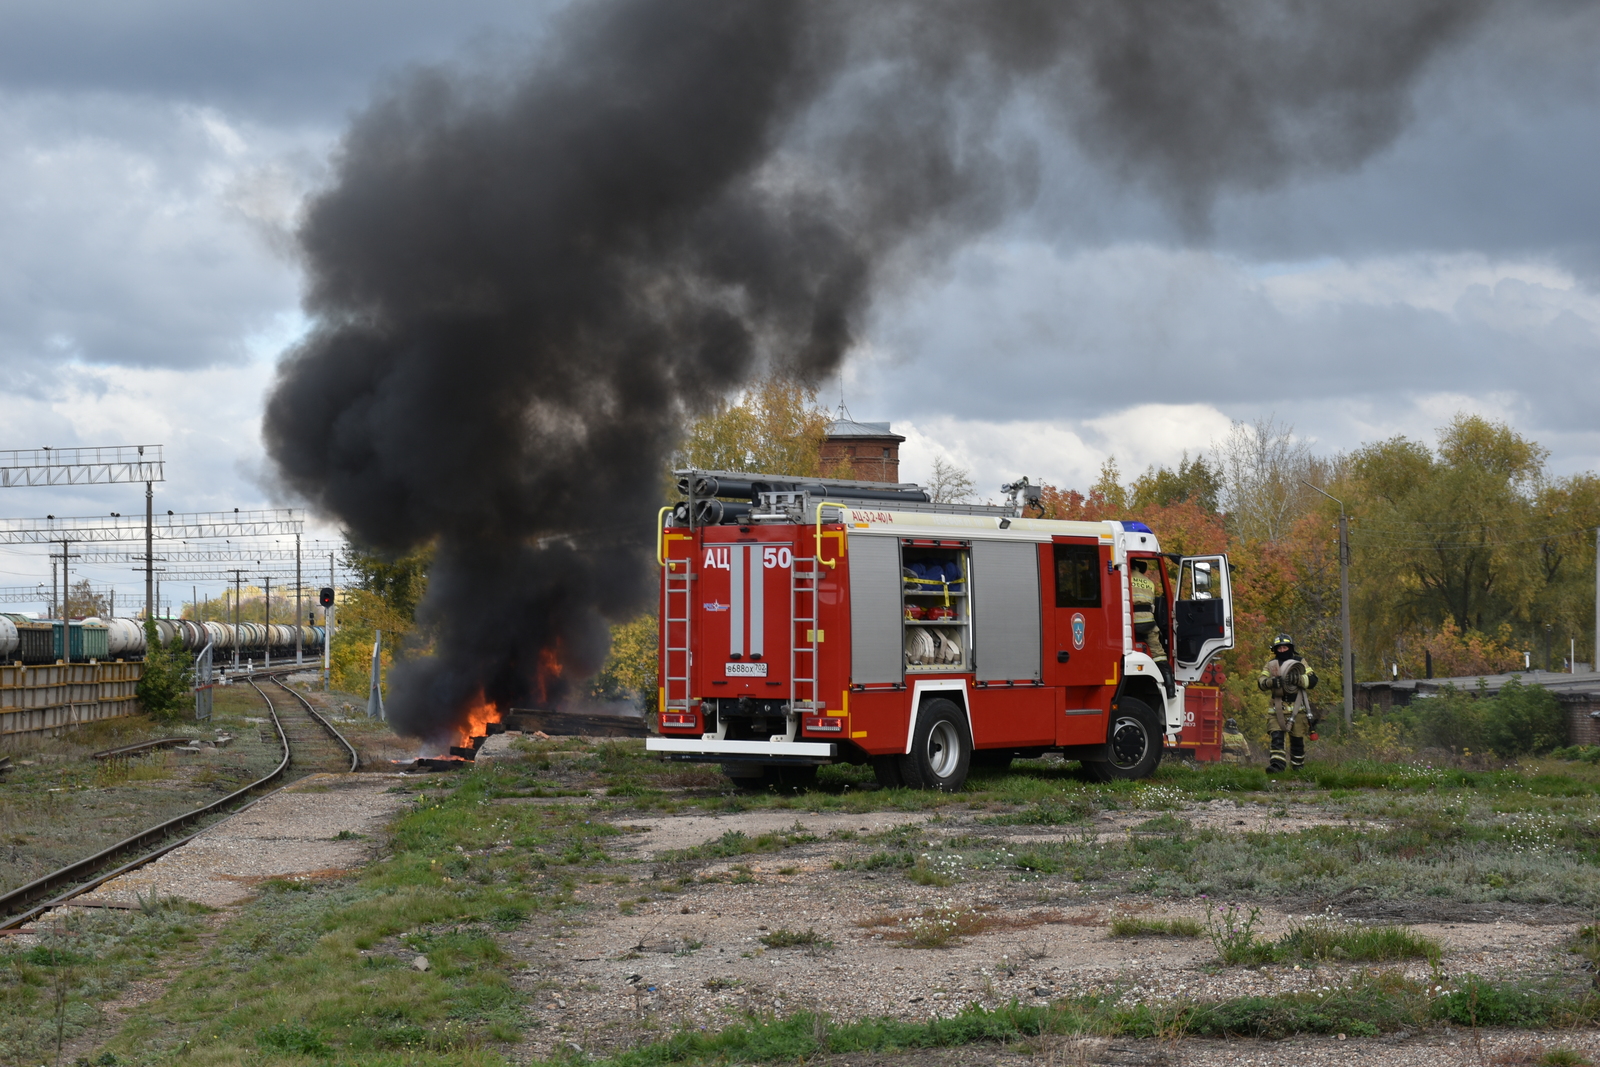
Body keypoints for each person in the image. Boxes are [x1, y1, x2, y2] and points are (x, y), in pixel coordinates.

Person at [1257, 633, 1318, 771]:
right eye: (1280, 649)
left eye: (1285, 648)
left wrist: (1298, 679)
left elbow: (1313, 680)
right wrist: (1271, 682)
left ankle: (1298, 768)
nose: (1283, 651)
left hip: (1298, 709)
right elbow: (1261, 682)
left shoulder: (1300, 662)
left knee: (1297, 741)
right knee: (1276, 738)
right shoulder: (1271, 665)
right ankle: (1277, 767)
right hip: (1277, 708)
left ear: (1290, 648)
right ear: (1275, 650)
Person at [1130, 558, 1174, 696]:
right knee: (1158, 653)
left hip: (1129, 623)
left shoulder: (1123, 578)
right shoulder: (1149, 582)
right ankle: (1170, 687)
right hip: (1148, 623)